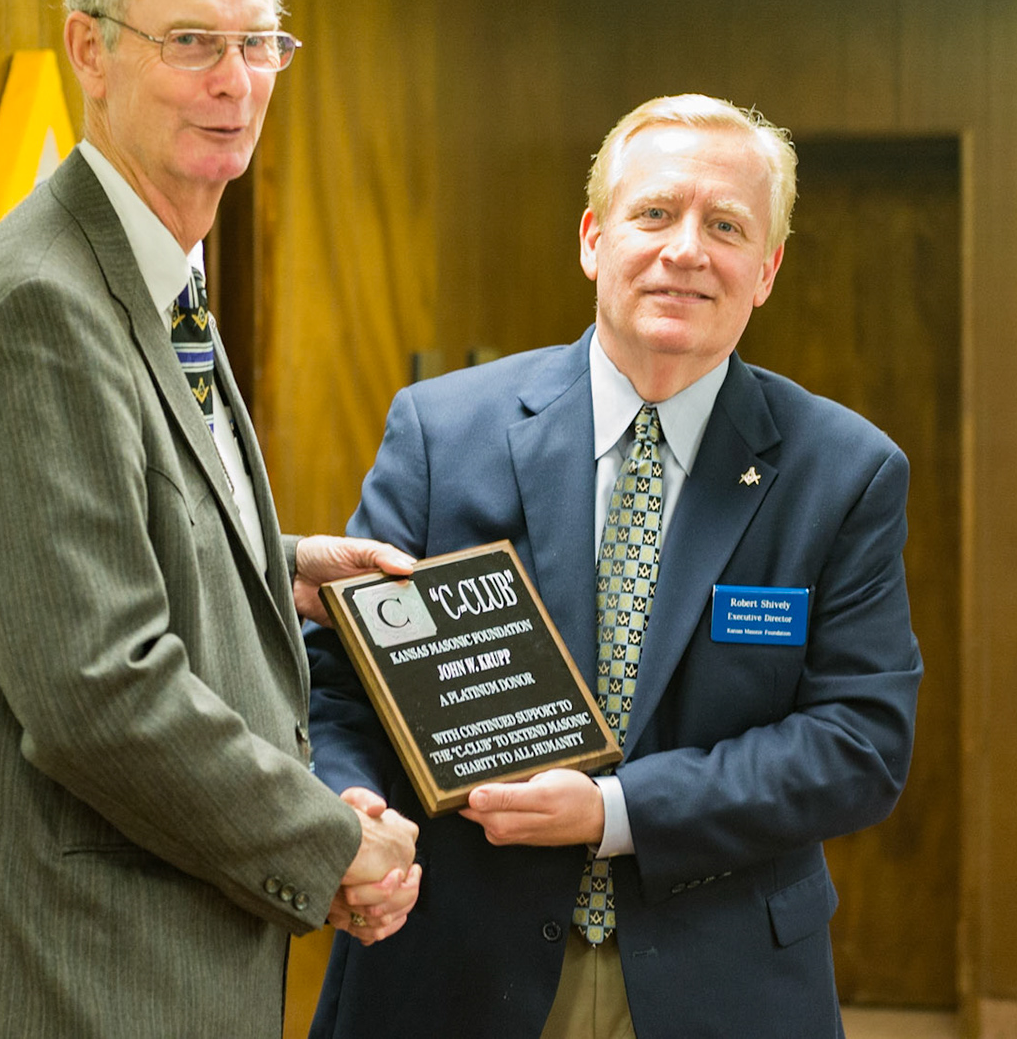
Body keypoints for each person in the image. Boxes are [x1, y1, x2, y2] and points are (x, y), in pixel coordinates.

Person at [0, 0, 420, 1038]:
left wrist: (280, 565)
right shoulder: (39, 309)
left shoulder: (156, 276)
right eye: (192, 43)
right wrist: (329, 844)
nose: (234, 81)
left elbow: (98, 540)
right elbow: (95, 690)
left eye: (259, 43)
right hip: (63, 978)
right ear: (91, 51)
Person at [306, 94, 923, 1039]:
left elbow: (860, 744)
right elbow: (344, 686)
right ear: (594, 238)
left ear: (767, 269)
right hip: (451, 967)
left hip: (721, 981)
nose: (686, 249)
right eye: (654, 214)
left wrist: (611, 811)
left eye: (726, 226)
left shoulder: (842, 471)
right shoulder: (444, 432)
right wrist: (354, 813)